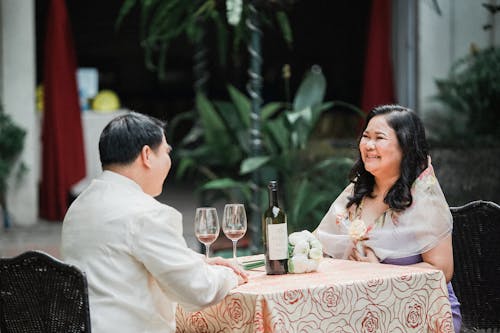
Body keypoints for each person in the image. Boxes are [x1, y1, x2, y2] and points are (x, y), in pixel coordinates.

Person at [61, 112, 248, 333]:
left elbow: (121, 255)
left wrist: (202, 261)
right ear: (147, 155)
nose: (169, 160)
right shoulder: (146, 213)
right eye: (167, 152)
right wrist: (232, 275)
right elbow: (199, 290)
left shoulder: (80, 205)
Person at [315, 105, 461, 332]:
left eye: (379, 138)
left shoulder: (423, 197)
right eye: (365, 136)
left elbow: (442, 269)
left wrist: (381, 274)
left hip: (422, 310)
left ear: (405, 147)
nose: (368, 145)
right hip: (364, 306)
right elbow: (323, 243)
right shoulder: (358, 192)